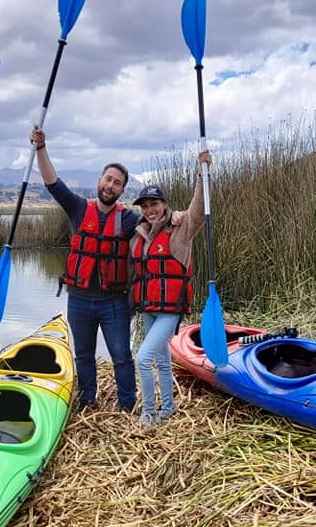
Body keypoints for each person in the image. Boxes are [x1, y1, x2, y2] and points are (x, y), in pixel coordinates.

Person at [30, 126, 140, 412]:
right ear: (99, 181)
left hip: (113, 302)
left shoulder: (130, 220)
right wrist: (41, 148)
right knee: (83, 355)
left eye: (117, 183)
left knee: (121, 356)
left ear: (122, 190)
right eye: (108, 179)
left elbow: (159, 220)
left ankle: (127, 406)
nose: (111, 186)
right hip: (78, 300)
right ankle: (88, 402)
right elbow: (52, 183)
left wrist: (175, 216)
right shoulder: (78, 208)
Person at [129, 150, 211, 426]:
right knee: (162, 360)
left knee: (143, 358)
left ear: (164, 205)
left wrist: (202, 173)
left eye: (154, 204)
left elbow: (198, 210)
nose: (149, 210)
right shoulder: (139, 235)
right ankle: (167, 408)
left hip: (170, 310)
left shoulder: (181, 229)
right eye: (144, 206)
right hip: (148, 309)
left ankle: (149, 414)